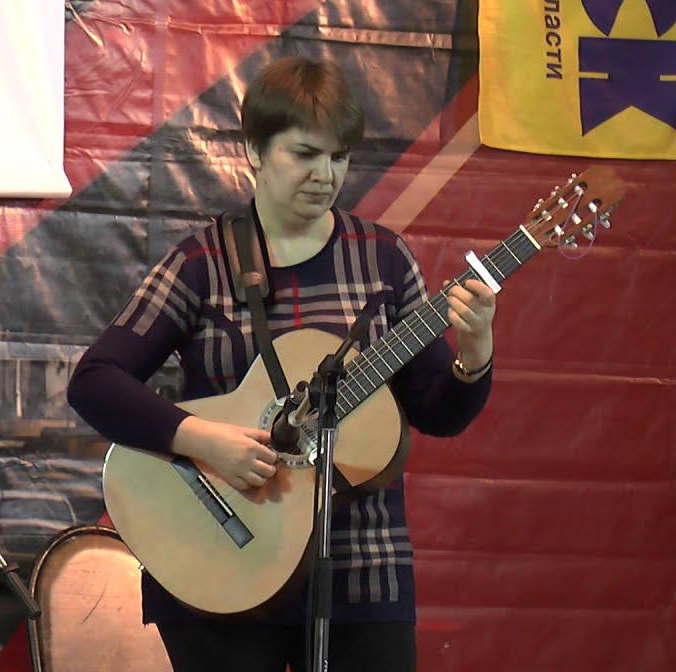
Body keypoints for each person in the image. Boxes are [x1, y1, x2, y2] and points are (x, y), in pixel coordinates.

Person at [67, 56, 496, 671]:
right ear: (255, 152)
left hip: (360, 572)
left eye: (339, 157)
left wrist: (475, 355)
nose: (326, 175)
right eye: (305, 154)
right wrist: (206, 442)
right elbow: (95, 383)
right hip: (222, 564)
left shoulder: (383, 260)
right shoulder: (202, 263)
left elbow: (437, 412)